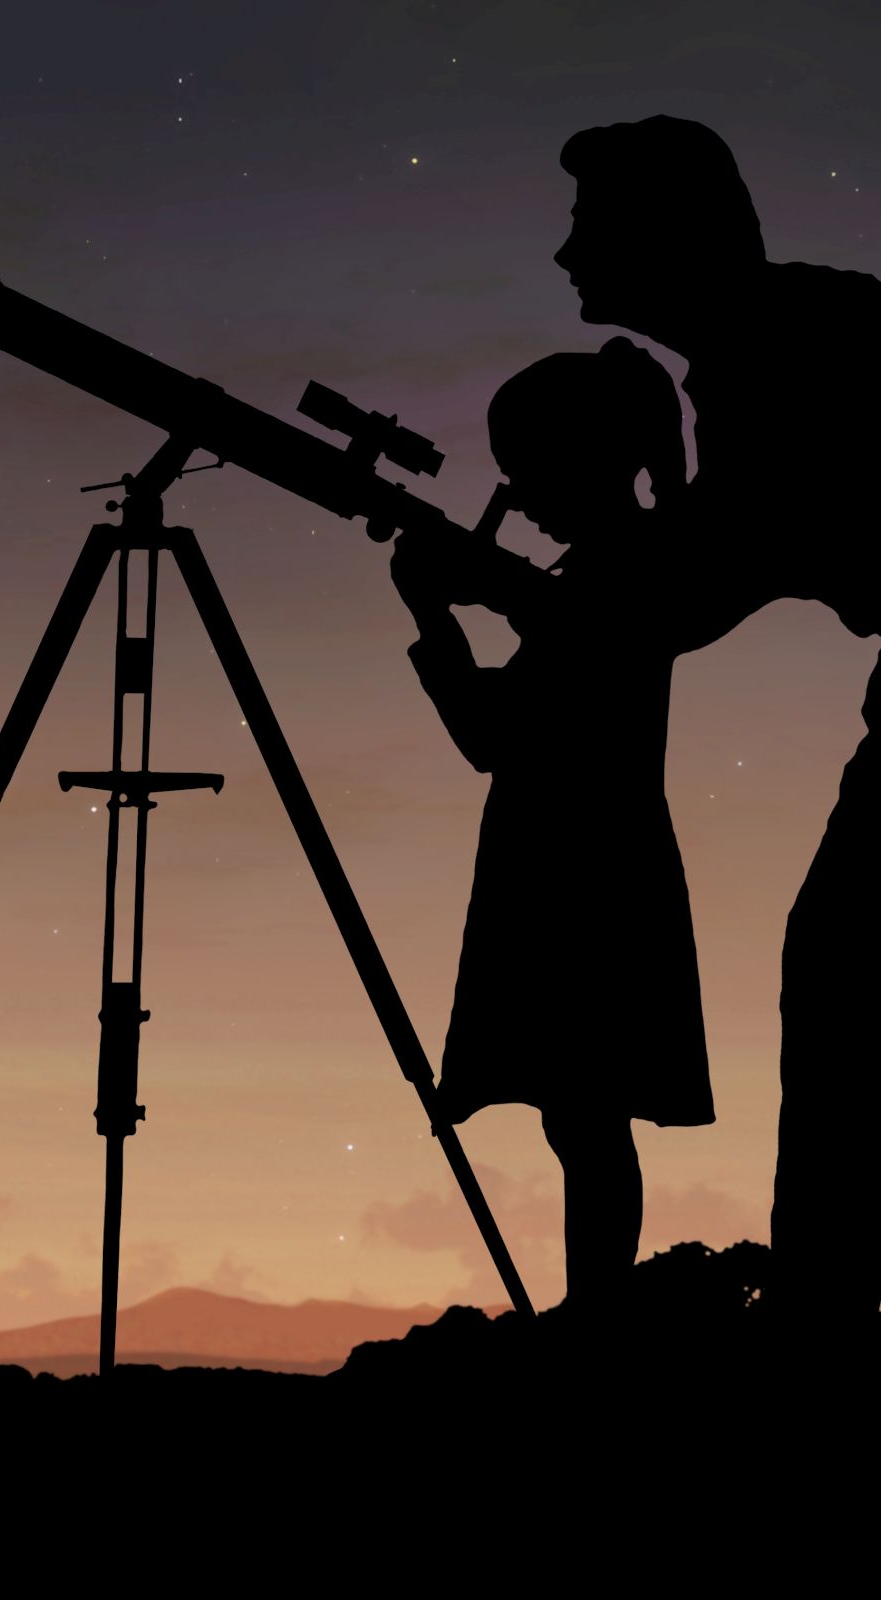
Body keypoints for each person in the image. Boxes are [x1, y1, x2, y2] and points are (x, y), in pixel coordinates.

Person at [550, 114, 881, 1325]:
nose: (564, 255)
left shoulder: (774, 351)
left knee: (849, 968)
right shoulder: (781, 335)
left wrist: (627, 526)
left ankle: (826, 1310)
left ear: (660, 235)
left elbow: (699, 587)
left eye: (588, 227)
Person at [391, 337, 713, 1313]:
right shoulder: (606, 577)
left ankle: (595, 1322)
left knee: (585, 1118)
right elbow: (520, 702)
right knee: (581, 1120)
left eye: (528, 473)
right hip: (583, 867)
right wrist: (475, 600)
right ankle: (594, 1316)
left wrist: (443, 612)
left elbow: (495, 734)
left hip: (583, 876)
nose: (520, 497)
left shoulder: (617, 581)